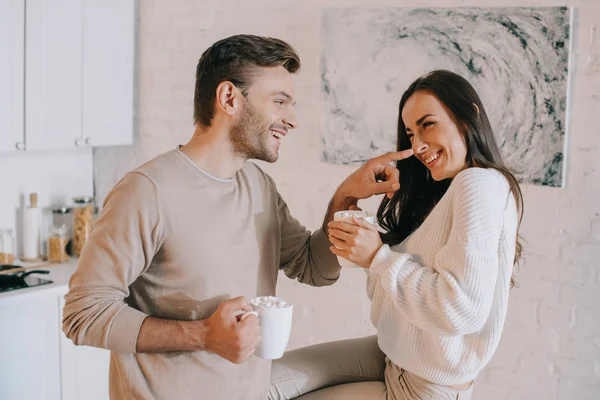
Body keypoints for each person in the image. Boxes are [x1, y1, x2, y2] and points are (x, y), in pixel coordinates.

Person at [61, 34, 410, 400]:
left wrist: (347, 193)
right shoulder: (147, 191)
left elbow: (313, 267)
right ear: (229, 98)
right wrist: (204, 336)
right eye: (280, 102)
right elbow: (83, 314)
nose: (291, 120)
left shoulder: (257, 186)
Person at [269, 69, 524, 400]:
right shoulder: (441, 193)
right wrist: (358, 221)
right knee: (259, 383)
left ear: (468, 115)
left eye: (427, 124)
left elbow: (460, 309)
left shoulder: (479, 183)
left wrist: (378, 257)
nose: (417, 145)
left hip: (422, 387)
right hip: (392, 355)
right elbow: (389, 296)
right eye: (410, 132)